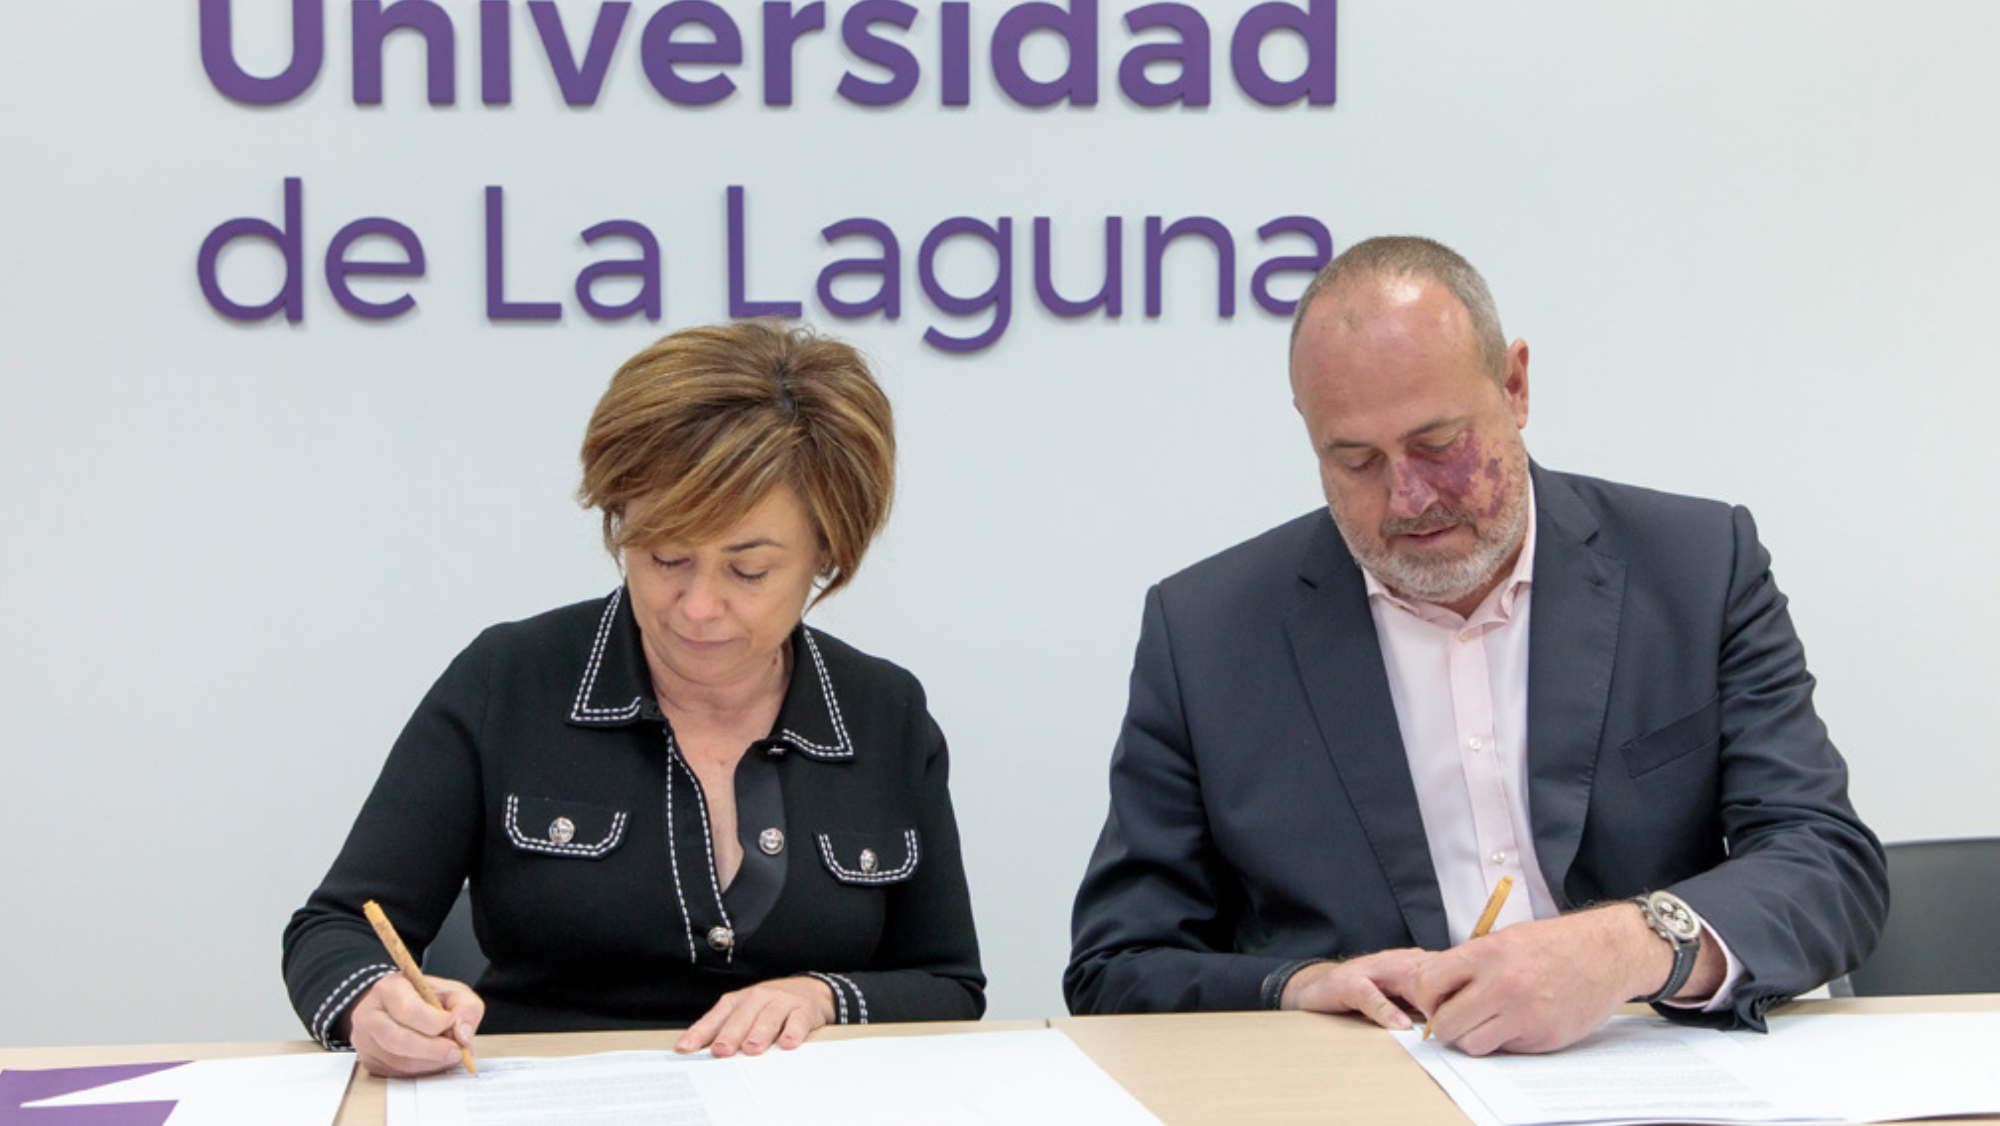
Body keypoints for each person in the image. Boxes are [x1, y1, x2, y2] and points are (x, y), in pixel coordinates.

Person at [1064, 236, 1887, 1055]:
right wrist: (1291, 985)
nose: (1408, 497)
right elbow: (1117, 967)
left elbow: (1827, 865)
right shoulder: (1207, 633)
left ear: (1515, 385)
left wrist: (1624, 949)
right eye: (1355, 461)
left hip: (1649, 1070)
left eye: (1437, 444)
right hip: (1363, 1097)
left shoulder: (1696, 566)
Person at [284, 321, 984, 1076]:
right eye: (665, 557)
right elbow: (336, 928)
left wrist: (822, 996)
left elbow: (949, 985)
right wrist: (372, 1003)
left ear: (828, 551)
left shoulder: (884, 712)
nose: (697, 607)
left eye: (748, 571)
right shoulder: (510, 678)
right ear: (620, 526)